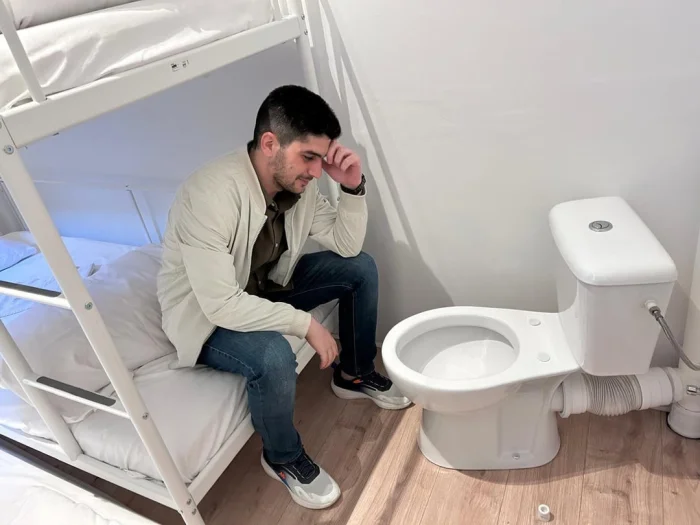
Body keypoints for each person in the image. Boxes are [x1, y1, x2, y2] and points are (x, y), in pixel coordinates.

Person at [156, 85, 410, 509]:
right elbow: (221, 303)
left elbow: (346, 246)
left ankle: (354, 374)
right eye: (308, 157)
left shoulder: (298, 187)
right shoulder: (209, 195)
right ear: (270, 143)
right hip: (206, 315)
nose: (316, 171)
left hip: (267, 288)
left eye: (320, 159)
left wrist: (353, 188)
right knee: (274, 354)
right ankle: (282, 457)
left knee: (360, 268)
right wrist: (304, 324)